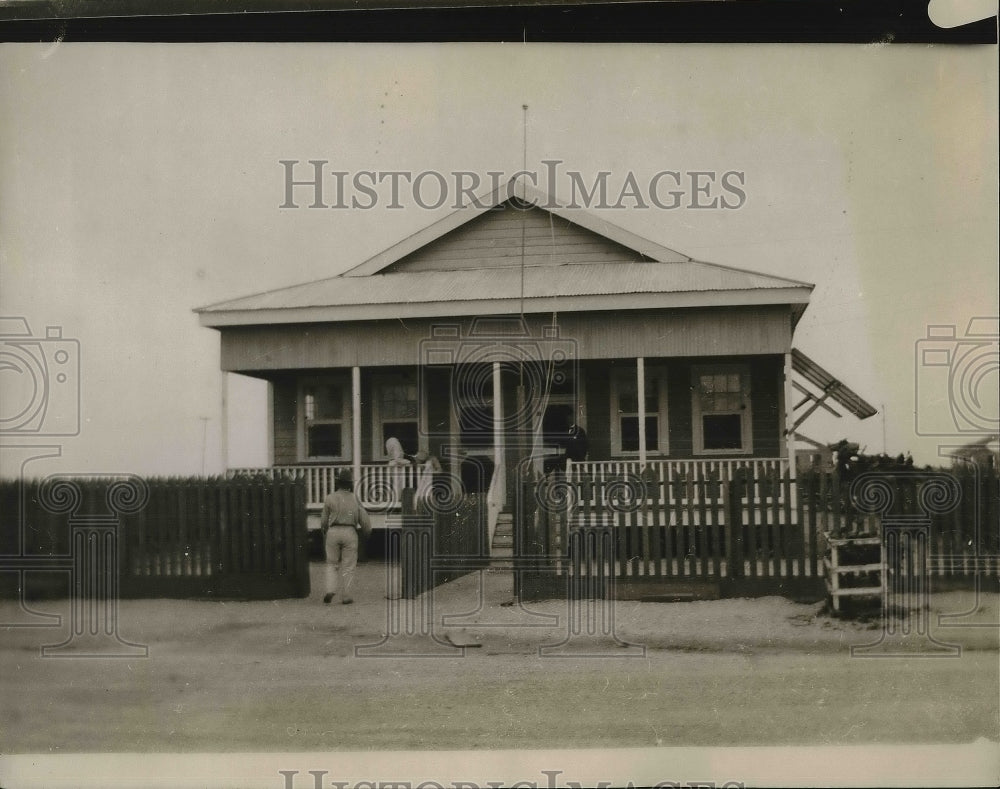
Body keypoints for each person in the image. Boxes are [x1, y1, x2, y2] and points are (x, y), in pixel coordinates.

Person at [321, 469, 371, 605]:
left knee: (331, 563)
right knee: (348, 565)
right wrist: (367, 533)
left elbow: (324, 520)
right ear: (350, 484)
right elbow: (364, 520)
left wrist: (325, 531)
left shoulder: (330, 497)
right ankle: (346, 596)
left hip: (333, 531)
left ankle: (331, 589)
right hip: (350, 531)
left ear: (338, 483)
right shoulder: (355, 499)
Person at [413, 448, 443, 514]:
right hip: (422, 481)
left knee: (429, 496)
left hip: (432, 480)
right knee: (419, 496)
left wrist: (431, 472)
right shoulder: (418, 461)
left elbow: (440, 470)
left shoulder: (433, 459)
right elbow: (416, 469)